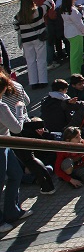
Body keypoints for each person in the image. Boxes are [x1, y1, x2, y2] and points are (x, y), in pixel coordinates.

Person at [0, 71, 31, 233]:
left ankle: (12, 211)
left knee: (16, 174)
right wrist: (19, 110)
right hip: (2, 145)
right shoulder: (1, 106)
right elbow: (17, 128)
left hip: (5, 145)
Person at [13, 0, 54, 90]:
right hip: (39, 38)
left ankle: (33, 82)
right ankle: (43, 81)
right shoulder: (38, 11)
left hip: (26, 40)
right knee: (41, 60)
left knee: (30, 61)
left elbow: (16, 28)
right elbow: (50, 2)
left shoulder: (18, 16)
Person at [60, 0, 84, 75]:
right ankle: (76, 73)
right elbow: (79, 24)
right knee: (77, 55)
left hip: (69, 33)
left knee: (74, 54)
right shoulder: (72, 10)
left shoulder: (65, 9)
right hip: (76, 33)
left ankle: (77, 72)